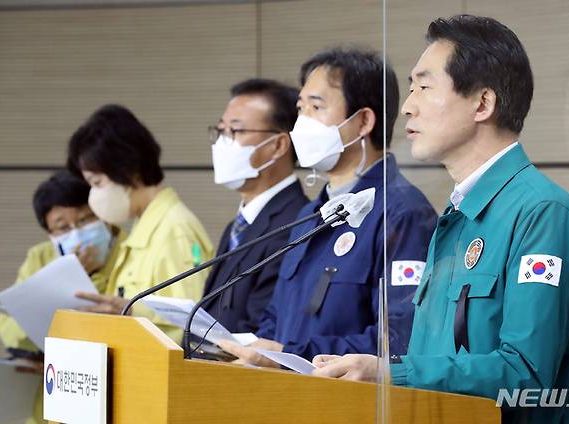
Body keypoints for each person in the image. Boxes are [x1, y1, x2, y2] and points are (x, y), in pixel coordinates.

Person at [311, 15, 569, 424]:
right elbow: (437, 356)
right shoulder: (455, 216)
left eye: (425, 88)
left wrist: (392, 373)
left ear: (483, 103)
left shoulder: (543, 213)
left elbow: (527, 377)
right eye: (411, 89)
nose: (408, 106)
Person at [219, 47, 437, 364]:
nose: (301, 123)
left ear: (363, 121)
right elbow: (275, 318)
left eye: (316, 107)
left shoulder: (402, 212)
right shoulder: (310, 215)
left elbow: (400, 339)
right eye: (300, 108)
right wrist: (260, 352)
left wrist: (293, 356)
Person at [67, 104, 214, 343]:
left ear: (128, 170)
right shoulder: (144, 227)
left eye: (98, 183)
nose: (94, 196)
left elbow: (196, 327)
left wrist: (132, 312)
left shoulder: (175, 229)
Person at [0, 169, 124, 424]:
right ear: (50, 234)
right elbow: (9, 326)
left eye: (86, 220)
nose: (77, 232)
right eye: (63, 227)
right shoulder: (40, 257)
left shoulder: (130, 249)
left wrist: (85, 277)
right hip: (54, 394)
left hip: (112, 394)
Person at [202, 78, 308, 334]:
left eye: (235, 132)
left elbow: (262, 328)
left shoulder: (296, 223)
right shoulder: (238, 225)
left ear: (278, 145)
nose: (222, 143)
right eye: (220, 131)